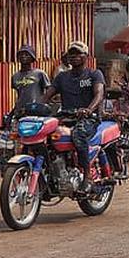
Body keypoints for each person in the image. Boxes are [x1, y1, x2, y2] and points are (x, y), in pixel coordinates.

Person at [41, 41, 105, 194]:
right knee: (44, 135)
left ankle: (87, 177)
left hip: (89, 118)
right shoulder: (62, 77)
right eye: (71, 54)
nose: (74, 57)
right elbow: (47, 95)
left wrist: (89, 110)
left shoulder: (94, 74)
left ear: (86, 56)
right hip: (66, 116)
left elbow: (99, 94)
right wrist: (36, 107)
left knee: (78, 135)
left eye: (78, 53)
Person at [12, 45, 50, 113]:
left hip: (36, 110)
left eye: (26, 54)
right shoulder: (15, 76)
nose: (23, 56)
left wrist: (42, 104)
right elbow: (19, 95)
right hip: (21, 111)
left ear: (32, 58)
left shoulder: (40, 74)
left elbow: (49, 92)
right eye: (21, 54)